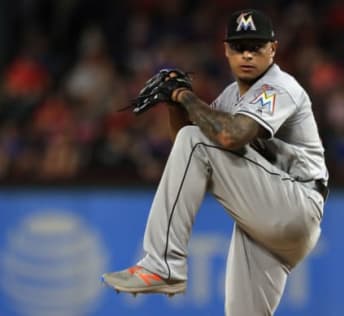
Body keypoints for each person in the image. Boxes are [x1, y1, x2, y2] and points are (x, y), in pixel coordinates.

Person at [102, 9, 329, 316]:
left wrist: (184, 95)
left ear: (273, 49)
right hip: (269, 220)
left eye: (256, 46)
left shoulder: (279, 86)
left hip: (296, 204)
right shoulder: (231, 96)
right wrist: (174, 106)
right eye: (239, 46)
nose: (246, 54)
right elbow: (187, 142)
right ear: (225, 50)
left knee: (199, 140)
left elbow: (229, 137)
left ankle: (162, 264)